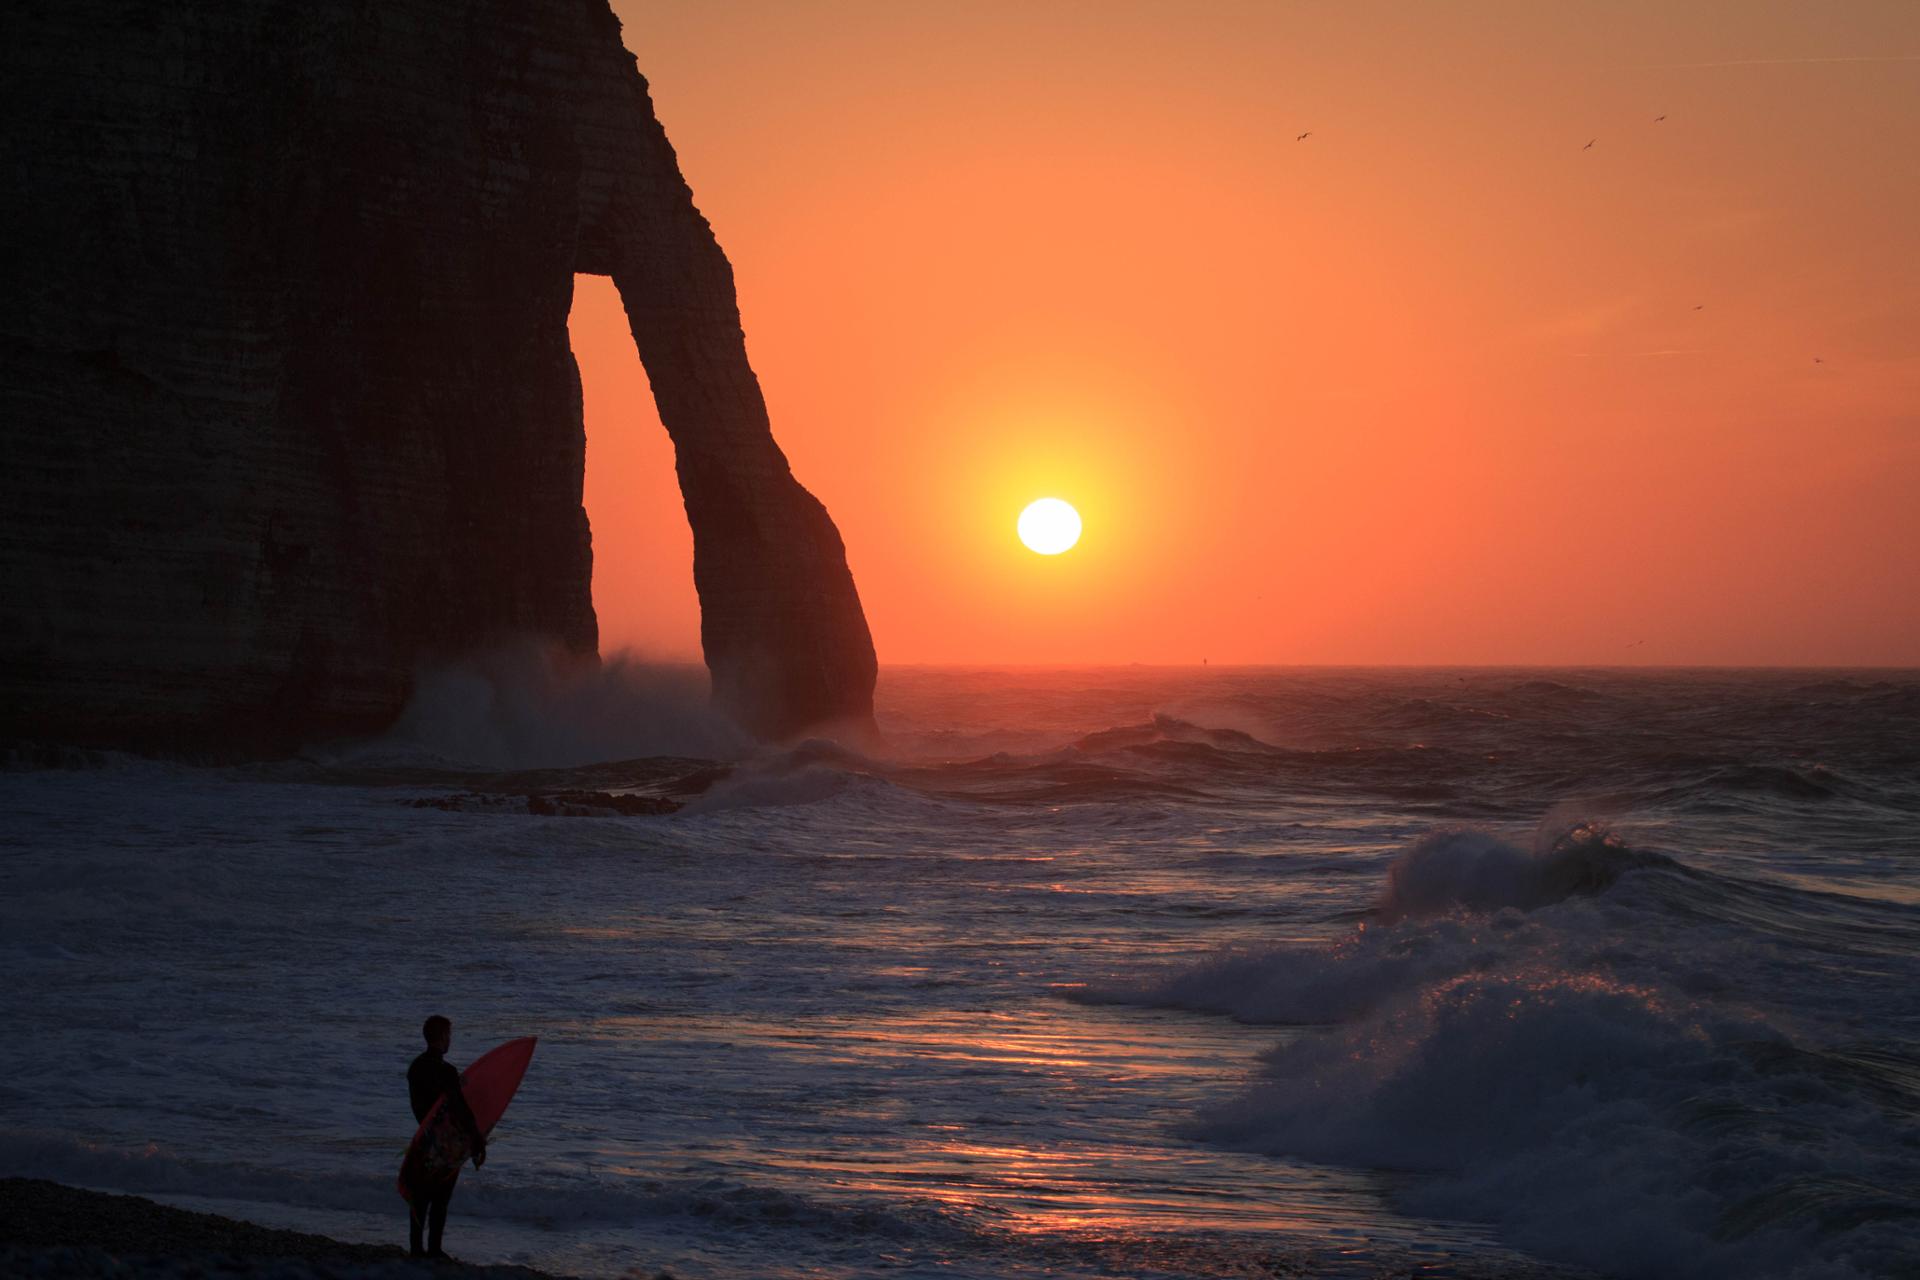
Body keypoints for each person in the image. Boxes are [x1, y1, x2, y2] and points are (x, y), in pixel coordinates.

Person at [405, 1015, 486, 1259]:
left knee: (420, 1198)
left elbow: (420, 1109)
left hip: (424, 1140)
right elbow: (460, 1110)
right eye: (449, 1035)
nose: (450, 1040)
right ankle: (435, 1249)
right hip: (447, 1145)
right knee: (441, 1198)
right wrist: (477, 1141)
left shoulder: (415, 1068)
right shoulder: (447, 1071)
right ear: (441, 1037)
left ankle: (416, 1249)